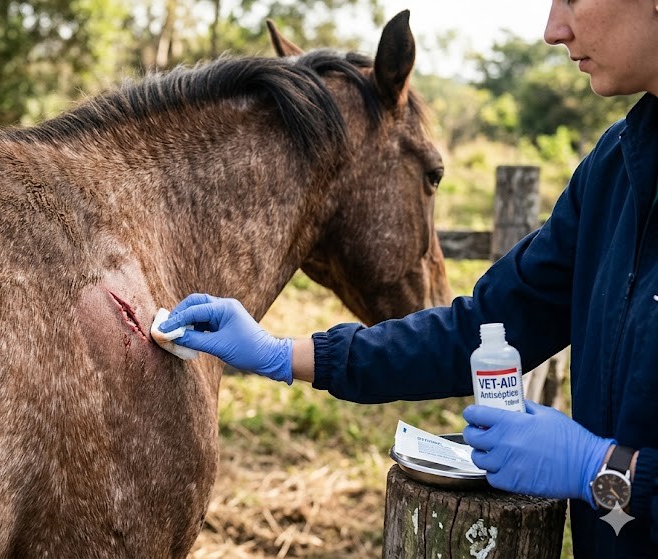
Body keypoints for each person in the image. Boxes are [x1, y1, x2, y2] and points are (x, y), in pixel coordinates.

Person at [158, 1, 658, 556]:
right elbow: (482, 328)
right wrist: (285, 354)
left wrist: (608, 471)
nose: (551, 30)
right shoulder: (617, 167)